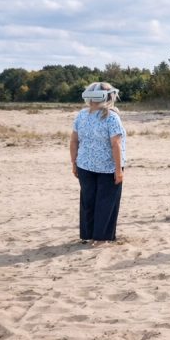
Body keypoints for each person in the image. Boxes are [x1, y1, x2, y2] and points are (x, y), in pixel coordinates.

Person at [69, 81, 126, 245]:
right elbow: (116, 144)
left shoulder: (81, 114)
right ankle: (101, 238)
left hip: (85, 165)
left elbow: (73, 141)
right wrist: (119, 169)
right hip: (107, 167)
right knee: (106, 201)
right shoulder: (111, 117)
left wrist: (74, 163)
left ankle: (88, 235)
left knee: (88, 200)